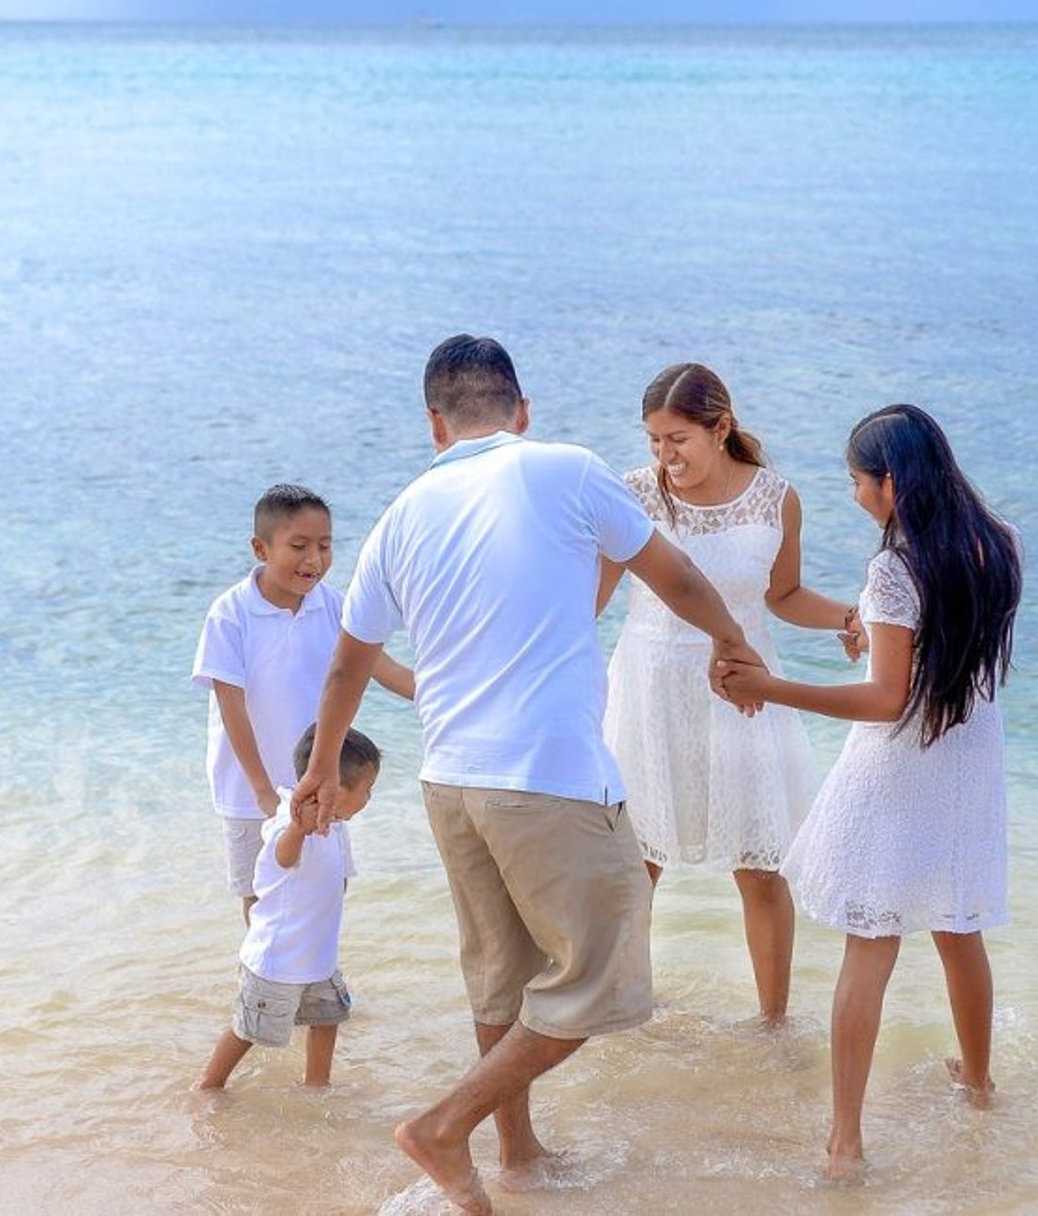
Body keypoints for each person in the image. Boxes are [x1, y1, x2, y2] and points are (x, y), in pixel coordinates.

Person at [293, 335, 762, 1215]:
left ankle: (517, 1154)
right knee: (604, 971)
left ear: (435, 423)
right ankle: (446, 1126)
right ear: (523, 410)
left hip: (450, 782)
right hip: (546, 774)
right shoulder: (569, 469)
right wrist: (733, 645)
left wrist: (321, 769)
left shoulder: (403, 512)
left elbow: (347, 665)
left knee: (502, 978)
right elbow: (676, 578)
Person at [716, 404, 1022, 1181]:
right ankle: (981, 1087)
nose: (854, 496)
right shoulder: (995, 544)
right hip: (970, 754)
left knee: (871, 939)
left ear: (890, 482)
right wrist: (877, 639)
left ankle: (845, 1141)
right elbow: (939, 658)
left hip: (902, 763)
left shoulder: (894, 568)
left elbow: (888, 699)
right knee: (958, 930)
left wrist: (775, 686)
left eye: (856, 482)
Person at [597, 362, 864, 1021]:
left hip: (745, 691)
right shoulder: (632, 496)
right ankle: (630, 1011)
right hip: (649, 690)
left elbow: (784, 595)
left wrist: (851, 618)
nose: (664, 456)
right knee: (638, 863)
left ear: (721, 429)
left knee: (761, 862)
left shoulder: (775, 498)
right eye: (653, 440)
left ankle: (773, 1021)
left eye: (678, 439)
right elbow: (590, 602)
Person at [192, 484, 414, 922]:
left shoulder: (335, 606)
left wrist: (451, 695)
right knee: (262, 900)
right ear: (261, 548)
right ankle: (263, 987)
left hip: (321, 785)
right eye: (299, 546)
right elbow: (232, 708)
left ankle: (318, 980)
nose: (314, 559)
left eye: (325, 546)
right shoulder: (230, 614)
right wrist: (260, 790)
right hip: (249, 793)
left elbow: (381, 667)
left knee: (328, 888)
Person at [195, 724, 382, 1090]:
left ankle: (316, 1085)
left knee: (328, 1019)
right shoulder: (289, 823)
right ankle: (209, 1084)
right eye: (367, 790)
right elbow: (283, 856)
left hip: (319, 959)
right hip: (276, 961)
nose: (369, 798)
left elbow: (337, 880)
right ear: (333, 787)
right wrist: (300, 829)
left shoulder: (337, 826)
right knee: (249, 1029)